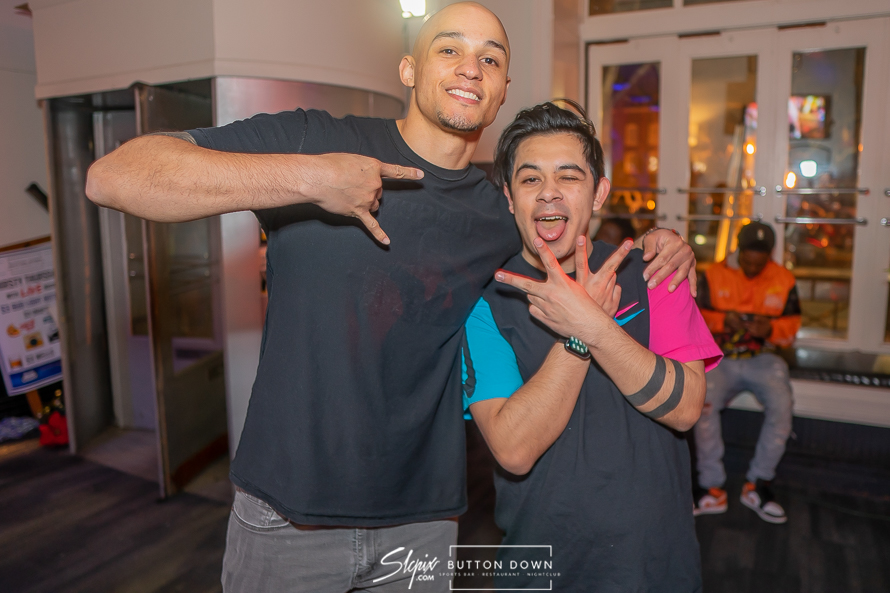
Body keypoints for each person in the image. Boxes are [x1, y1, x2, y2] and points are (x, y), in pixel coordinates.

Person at [85, 4, 695, 591]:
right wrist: (311, 178)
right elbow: (115, 178)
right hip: (288, 514)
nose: (469, 68)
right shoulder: (317, 140)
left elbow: (563, 221)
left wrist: (662, 243)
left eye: (489, 58)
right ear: (408, 68)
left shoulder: (499, 211)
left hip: (421, 524)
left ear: (502, 89)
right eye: (449, 50)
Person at [462, 102, 722, 591]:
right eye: (530, 179)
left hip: (654, 564)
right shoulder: (485, 301)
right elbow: (513, 449)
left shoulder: (655, 271)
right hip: (542, 567)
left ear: (599, 192)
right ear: (510, 197)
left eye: (569, 176)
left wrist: (597, 327)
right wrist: (580, 334)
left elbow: (686, 408)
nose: (549, 192)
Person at [693, 221, 801, 524]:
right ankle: (711, 487)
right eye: (747, 260)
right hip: (721, 357)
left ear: (770, 256)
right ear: (738, 251)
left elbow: (792, 327)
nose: (753, 267)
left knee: (782, 407)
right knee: (701, 404)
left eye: (759, 262)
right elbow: (694, 315)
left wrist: (771, 329)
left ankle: (758, 484)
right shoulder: (713, 275)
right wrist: (722, 322)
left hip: (764, 358)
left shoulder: (784, 279)